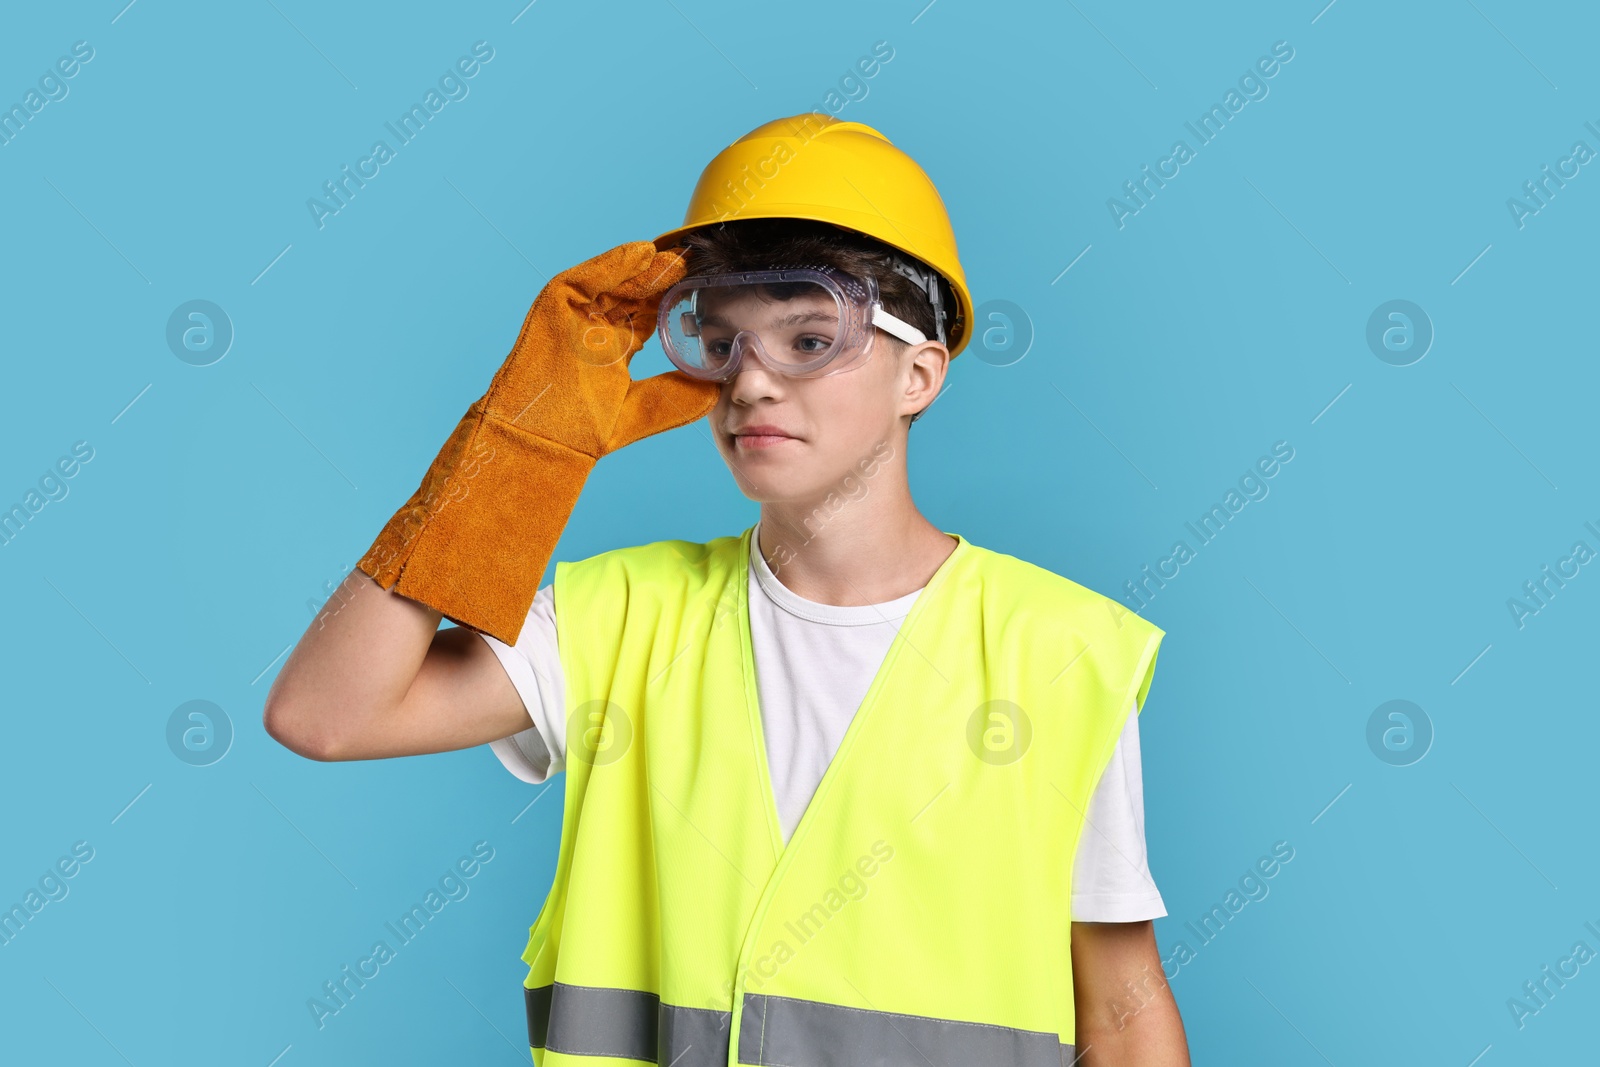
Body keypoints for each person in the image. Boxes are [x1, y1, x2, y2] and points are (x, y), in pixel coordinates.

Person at [264, 113, 1190, 1066]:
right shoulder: (619, 616)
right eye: (719, 340)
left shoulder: (1062, 650)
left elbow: (1123, 1009)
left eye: (809, 337)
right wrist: (510, 453)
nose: (750, 382)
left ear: (919, 373)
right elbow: (325, 714)